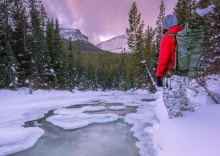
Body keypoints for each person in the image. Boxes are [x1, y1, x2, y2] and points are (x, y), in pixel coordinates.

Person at [156, 14, 194, 118]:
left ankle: (176, 128)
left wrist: (159, 75)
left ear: (166, 26)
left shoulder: (167, 38)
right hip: (184, 73)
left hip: (172, 75)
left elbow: (163, 59)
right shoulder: (185, 36)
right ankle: (191, 118)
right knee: (182, 97)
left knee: (171, 100)